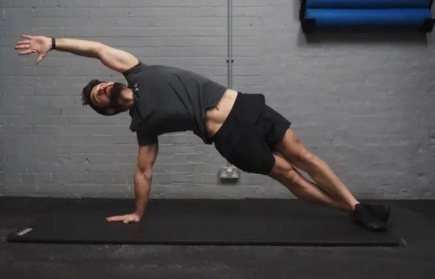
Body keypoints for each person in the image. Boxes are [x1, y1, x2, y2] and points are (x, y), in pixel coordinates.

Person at [14, 35, 390, 231]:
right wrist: (137, 213)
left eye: (99, 86)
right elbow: (144, 171)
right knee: (289, 174)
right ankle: (352, 209)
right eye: (98, 99)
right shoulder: (143, 125)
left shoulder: (135, 69)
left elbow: (96, 49)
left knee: (303, 155)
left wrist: (54, 42)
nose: (101, 90)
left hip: (244, 105)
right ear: (109, 110)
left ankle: (356, 206)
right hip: (229, 136)